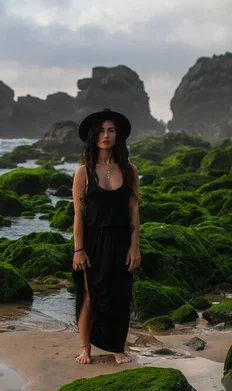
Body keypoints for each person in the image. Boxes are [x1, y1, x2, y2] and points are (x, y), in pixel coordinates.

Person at [72, 108, 141, 365]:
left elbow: (134, 211)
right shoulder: (83, 173)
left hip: (121, 239)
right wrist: (79, 250)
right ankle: (84, 349)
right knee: (90, 294)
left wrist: (134, 247)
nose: (106, 135)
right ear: (93, 136)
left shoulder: (129, 170)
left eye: (111, 130)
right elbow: (79, 215)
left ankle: (116, 347)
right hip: (93, 241)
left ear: (118, 135)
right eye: (101, 130)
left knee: (120, 295)